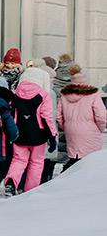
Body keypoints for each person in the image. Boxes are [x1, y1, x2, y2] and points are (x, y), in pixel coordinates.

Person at [3, 67, 57, 195]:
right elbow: (46, 117)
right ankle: (30, 191)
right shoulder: (43, 95)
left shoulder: (15, 94)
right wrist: (52, 137)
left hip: (19, 134)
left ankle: (11, 182)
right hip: (39, 135)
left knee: (18, 159)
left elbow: (10, 114)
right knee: (36, 163)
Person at [57, 65, 105, 170]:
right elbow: (101, 116)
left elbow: (59, 116)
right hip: (90, 130)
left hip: (71, 131)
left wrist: (66, 127)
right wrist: (100, 129)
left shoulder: (64, 95)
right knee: (90, 160)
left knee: (75, 157)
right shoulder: (93, 94)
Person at [44, 53, 75, 182]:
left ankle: (47, 179)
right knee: (69, 155)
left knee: (51, 156)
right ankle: (64, 182)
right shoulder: (75, 84)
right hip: (70, 124)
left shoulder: (54, 82)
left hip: (55, 123)